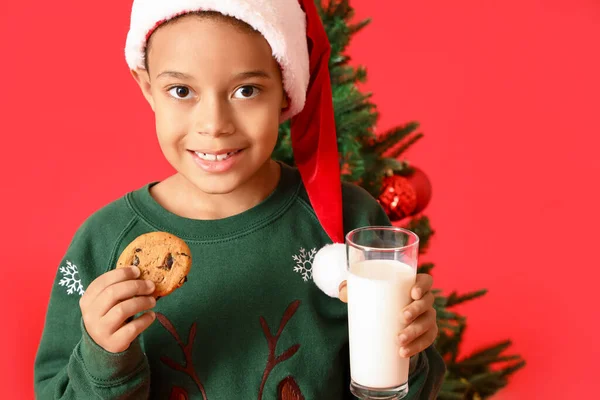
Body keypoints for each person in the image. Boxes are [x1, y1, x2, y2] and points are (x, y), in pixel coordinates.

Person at [34, 0, 446, 398]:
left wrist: (407, 351)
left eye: (247, 90)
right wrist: (104, 357)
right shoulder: (104, 243)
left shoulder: (344, 222)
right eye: (181, 90)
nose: (214, 125)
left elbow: (397, 386)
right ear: (147, 87)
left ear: (286, 90)